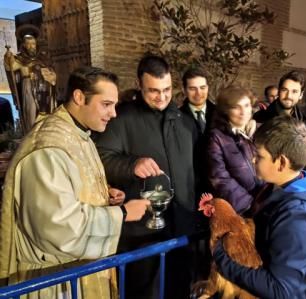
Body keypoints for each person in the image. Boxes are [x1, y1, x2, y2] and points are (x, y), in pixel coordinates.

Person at [0, 66, 150, 298]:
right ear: (79, 97)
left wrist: (103, 194)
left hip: (77, 271)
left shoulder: (78, 134)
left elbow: (71, 186)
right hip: (56, 279)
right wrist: (121, 214)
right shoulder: (48, 147)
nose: (114, 113)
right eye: (106, 104)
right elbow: (57, 228)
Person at [94, 55, 198, 299]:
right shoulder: (122, 119)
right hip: (140, 234)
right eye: (153, 91)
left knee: (179, 289)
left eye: (167, 90)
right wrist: (131, 164)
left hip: (181, 228)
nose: (161, 97)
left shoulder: (185, 122)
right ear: (139, 85)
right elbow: (99, 158)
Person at [212, 115, 306, 298]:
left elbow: (281, 290)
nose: (253, 160)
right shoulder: (278, 188)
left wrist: (222, 259)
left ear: (281, 162)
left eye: (259, 156)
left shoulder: (296, 217)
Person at [207, 86, 264, 214]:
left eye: (246, 105)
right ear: (226, 110)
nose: (243, 112)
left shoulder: (261, 131)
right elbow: (220, 178)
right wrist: (249, 204)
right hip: (241, 209)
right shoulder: (217, 137)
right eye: (236, 107)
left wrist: (268, 197)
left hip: (265, 202)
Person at [3, 33, 57, 134]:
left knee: (45, 114)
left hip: (44, 90)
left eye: (33, 44)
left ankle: (44, 133)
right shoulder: (19, 59)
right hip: (28, 86)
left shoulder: (42, 59)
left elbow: (52, 74)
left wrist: (52, 77)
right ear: (23, 45)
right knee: (31, 112)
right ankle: (31, 133)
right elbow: (10, 67)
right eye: (28, 44)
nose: (31, 46)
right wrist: (8, 58)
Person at [180, 67, 215, 195]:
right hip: (190, 186)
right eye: (192, 88)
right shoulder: (176, 118)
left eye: (202, 87)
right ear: (184, 90)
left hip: (217, 183)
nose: (198, 93)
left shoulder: (221, 114)